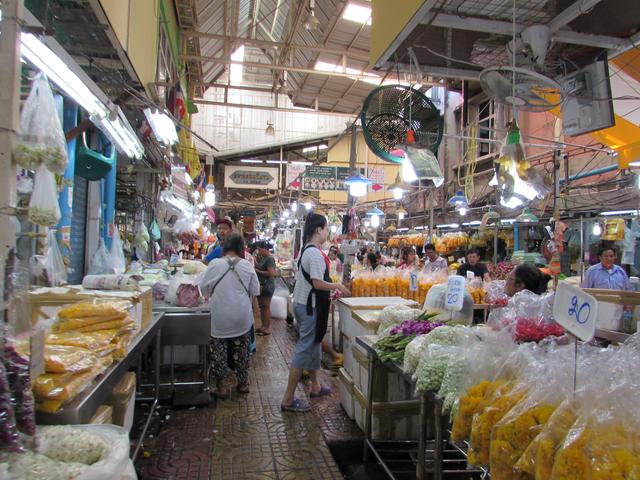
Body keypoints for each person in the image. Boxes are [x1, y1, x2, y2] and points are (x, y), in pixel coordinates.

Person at [281, 213, 350, 413]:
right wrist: (338, 285)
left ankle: (316, 386)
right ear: (318, 230)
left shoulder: (308, 250)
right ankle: (287, 399)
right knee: (304, 349)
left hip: (304, 304)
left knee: (314, 344)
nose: (328, 232)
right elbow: (318, 283)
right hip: (310, 306)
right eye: (327, 228)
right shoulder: (314, 254)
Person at [199, 234, 260, 398]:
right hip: (242, 317)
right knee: (242, 352)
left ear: (224, 248)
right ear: (242, 249)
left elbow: (203, 289)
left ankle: (222, 387)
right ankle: (243, 383)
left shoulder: (214, 264)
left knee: (219, 352)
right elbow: (255, 291)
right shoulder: (247, 266)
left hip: (220, 317)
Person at [254, 241, 277, 336]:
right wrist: (254, 261)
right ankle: (263, 326)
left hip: (268, 285)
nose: (259, 252)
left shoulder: (270, 259)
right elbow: (260, 266)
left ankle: (266, 329)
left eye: (260, 250)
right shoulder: (264, 258)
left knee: (266, 307)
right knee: (263, 307)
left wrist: (258, 271)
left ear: (265, 249)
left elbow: (271, 273)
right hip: (264, 285)